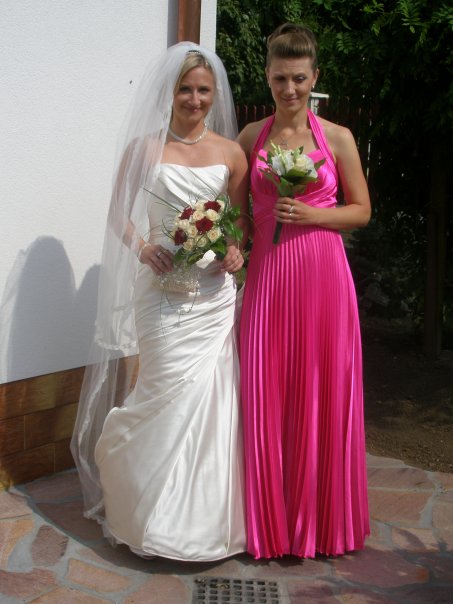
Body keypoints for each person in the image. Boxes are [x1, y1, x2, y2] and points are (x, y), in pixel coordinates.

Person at [71, 42, 249, 561]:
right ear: (169, 93)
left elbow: (239, 223)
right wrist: (144, 247)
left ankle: (201, 521)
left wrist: (235, 250)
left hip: (212, 295)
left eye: (203, 90)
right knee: (160, 389)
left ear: (214, 95)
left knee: (211, 396)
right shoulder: (144, 149)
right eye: (185, 89)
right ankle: (143, 513)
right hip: (161, 292)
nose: (194, 99)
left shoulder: (231, 153)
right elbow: (117, 215)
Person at [237, 23, 371, 559]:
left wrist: (315, 215)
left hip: (323, 281)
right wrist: (218, 244)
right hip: (268, 280)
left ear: (314, 77)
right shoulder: (250, 137)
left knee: (321, 391)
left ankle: (321, 525)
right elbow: (239, 217)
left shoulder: (337, 138)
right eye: (279, 78)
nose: (288, 88)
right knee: (266, 390)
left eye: (298, 78)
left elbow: (361, 211)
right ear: (267, 77)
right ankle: (272, 526)